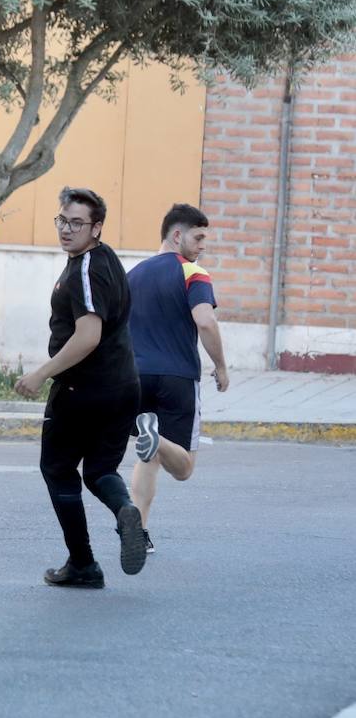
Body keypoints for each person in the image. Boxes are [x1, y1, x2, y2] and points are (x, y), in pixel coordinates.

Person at [14, 187, 148, 588]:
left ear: (97, 228)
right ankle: (126, 509)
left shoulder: (87, 268)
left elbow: (88, 335)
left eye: (77, 223)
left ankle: (83, 563)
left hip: (83, 390)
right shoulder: (106, 260)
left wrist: (42, 373)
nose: (67, 229)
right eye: (63, 220)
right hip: (124, 386)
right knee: (101, 470)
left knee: (56, 469)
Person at [127, 203, 230, 554]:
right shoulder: (193, 273)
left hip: (136, 376)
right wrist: (221, 365)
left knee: (148, 456)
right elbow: (205, 321)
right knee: (183, 467)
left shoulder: (133, 275)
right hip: (178, 378)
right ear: (176, 235)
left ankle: (138, 532)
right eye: (198, 237)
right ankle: (154, 439)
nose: (203, 246)